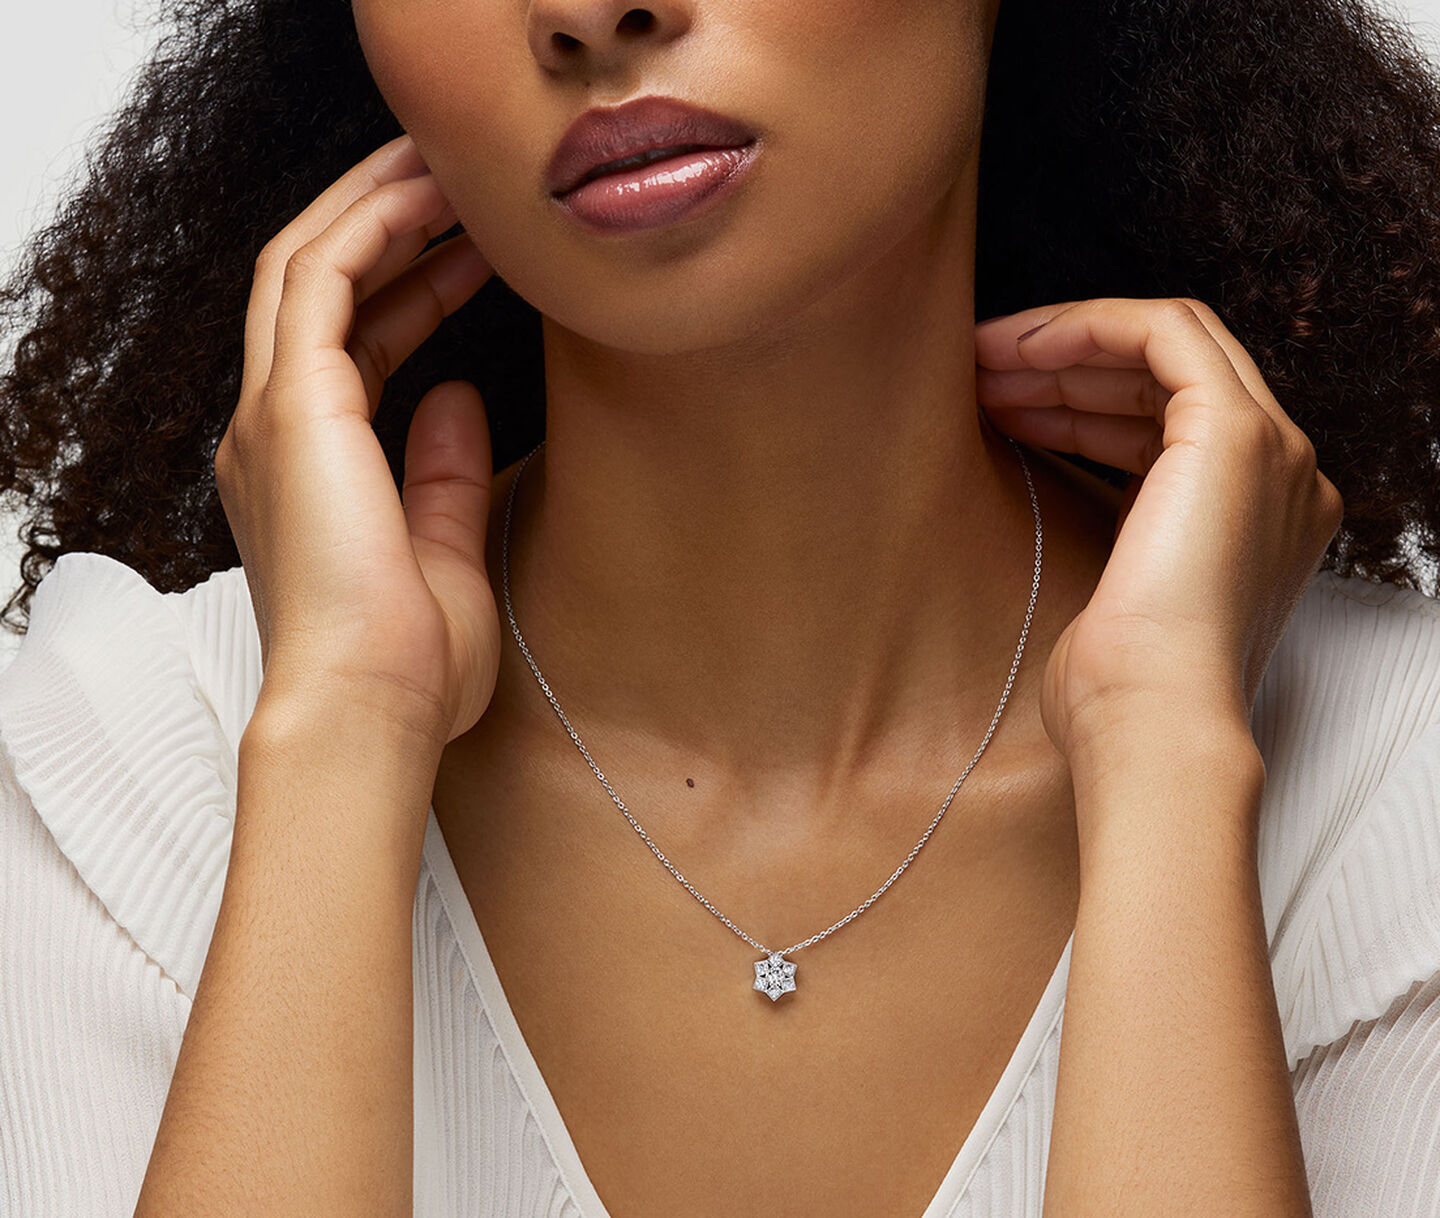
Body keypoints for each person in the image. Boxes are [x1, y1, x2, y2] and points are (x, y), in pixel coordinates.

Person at [2, 0, 1439, 1213]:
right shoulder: (124, 778)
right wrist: (336, 741)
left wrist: (1174, 768)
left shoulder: (1393, 795)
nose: (586, 8)